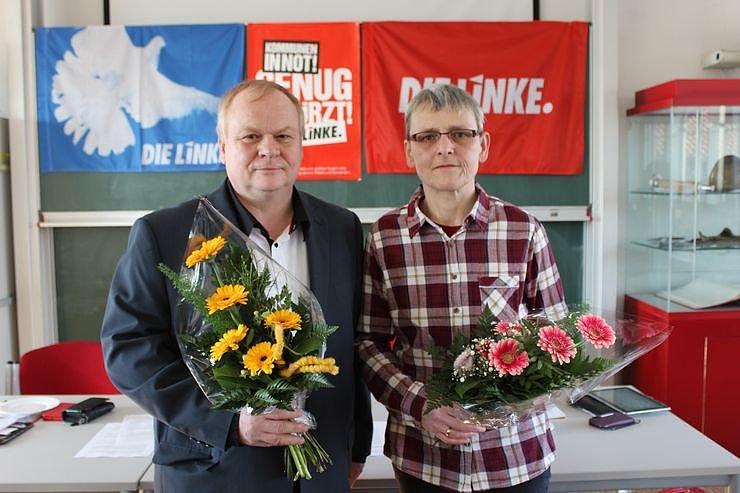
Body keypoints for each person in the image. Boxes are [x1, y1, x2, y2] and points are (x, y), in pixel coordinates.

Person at [101, 79, 372, 493]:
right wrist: (228, 423)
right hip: (214, 471)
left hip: (320, 470)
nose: (269, 149)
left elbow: (351, 344)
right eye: (250, 136)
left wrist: (356, 449)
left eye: (283, 136)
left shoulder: (342, 228)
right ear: (223, 146)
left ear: (301, 143)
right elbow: (128, 349)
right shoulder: (165, 233)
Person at [356, 83, 568, 493]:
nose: (445, 147)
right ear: (409, 151)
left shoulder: (523, 230)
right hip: (423, 457)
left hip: (514, 454)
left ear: (482, 145)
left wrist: (512, 396)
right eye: (427, 136)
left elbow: (558, 338)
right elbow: (369, 343)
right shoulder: (384, 238)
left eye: (460, 134)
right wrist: (423, 405)